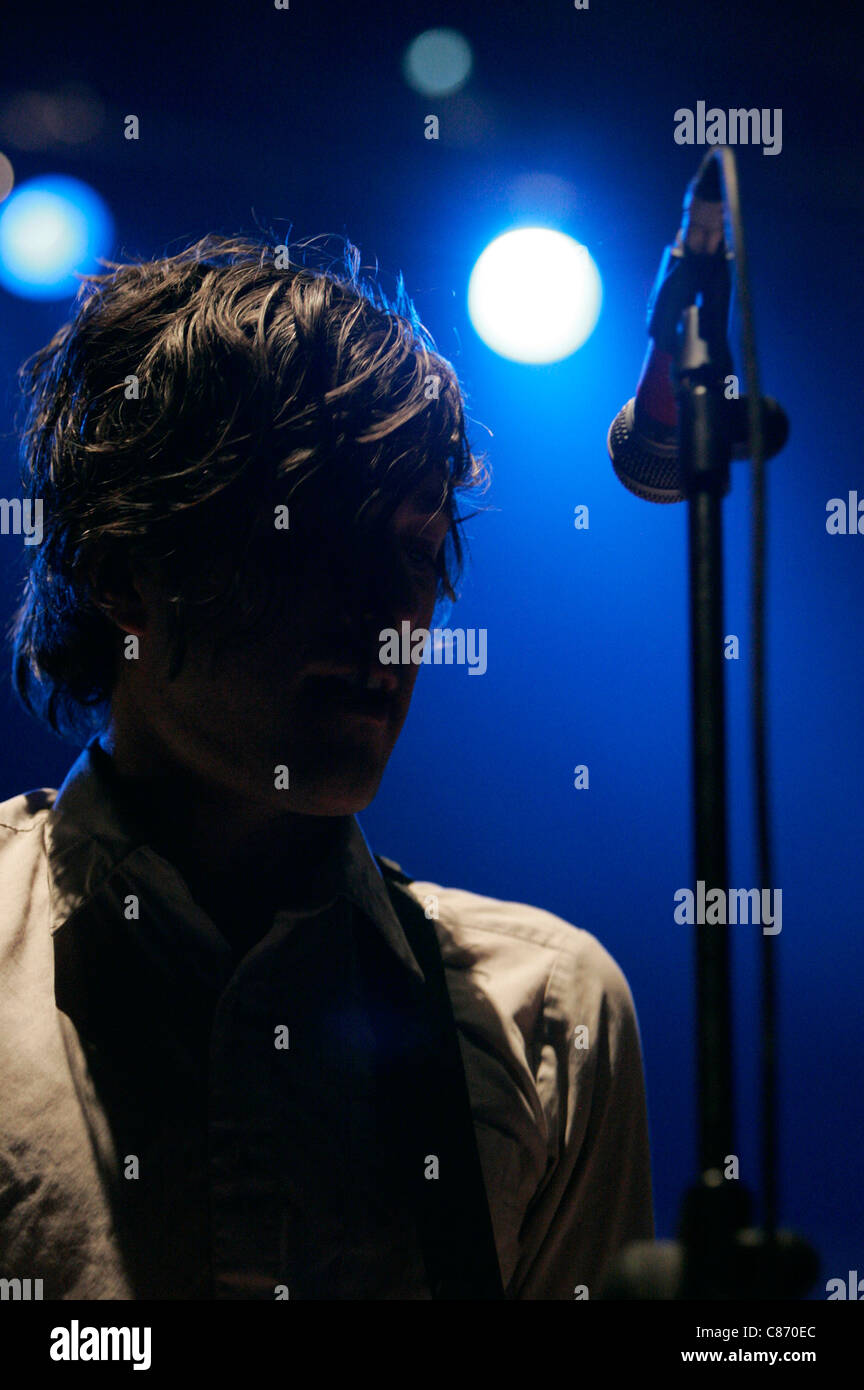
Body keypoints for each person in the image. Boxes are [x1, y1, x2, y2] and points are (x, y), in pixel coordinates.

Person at [0, 235, 653, 1299]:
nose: (387, 615)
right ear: (129, 568)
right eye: (312, 537)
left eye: (411, 549)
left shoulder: (550, 1017)